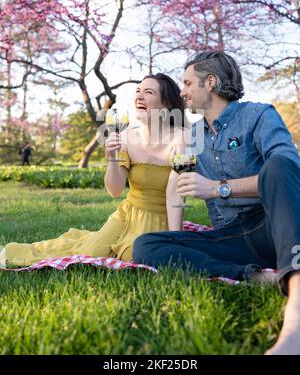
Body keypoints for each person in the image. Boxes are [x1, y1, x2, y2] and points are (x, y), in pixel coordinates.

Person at [133, 51, 300, 355]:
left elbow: (287, 169)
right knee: (146, 246)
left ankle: (296, 317)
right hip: (235, 237)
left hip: (275, 224)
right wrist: (178, 232)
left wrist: (218, 189)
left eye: (186, 82)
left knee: (278, 165)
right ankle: (257, 277)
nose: (181, 91)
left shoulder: (259, 115)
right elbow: (176, 181)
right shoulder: (193, 135)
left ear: (210, 82)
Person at [0, 74, 186, 268]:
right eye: (138, 91)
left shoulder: (185, 139)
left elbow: (177, 193)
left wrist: (176, 238)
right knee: (92, 251)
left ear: (166, 103)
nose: (139, 96)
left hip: (161, 217)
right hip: (127, 212)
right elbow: (114, 191)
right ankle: (14, 253)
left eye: (148, 92)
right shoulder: (125, 136)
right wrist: (112, 157)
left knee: (135, 257)